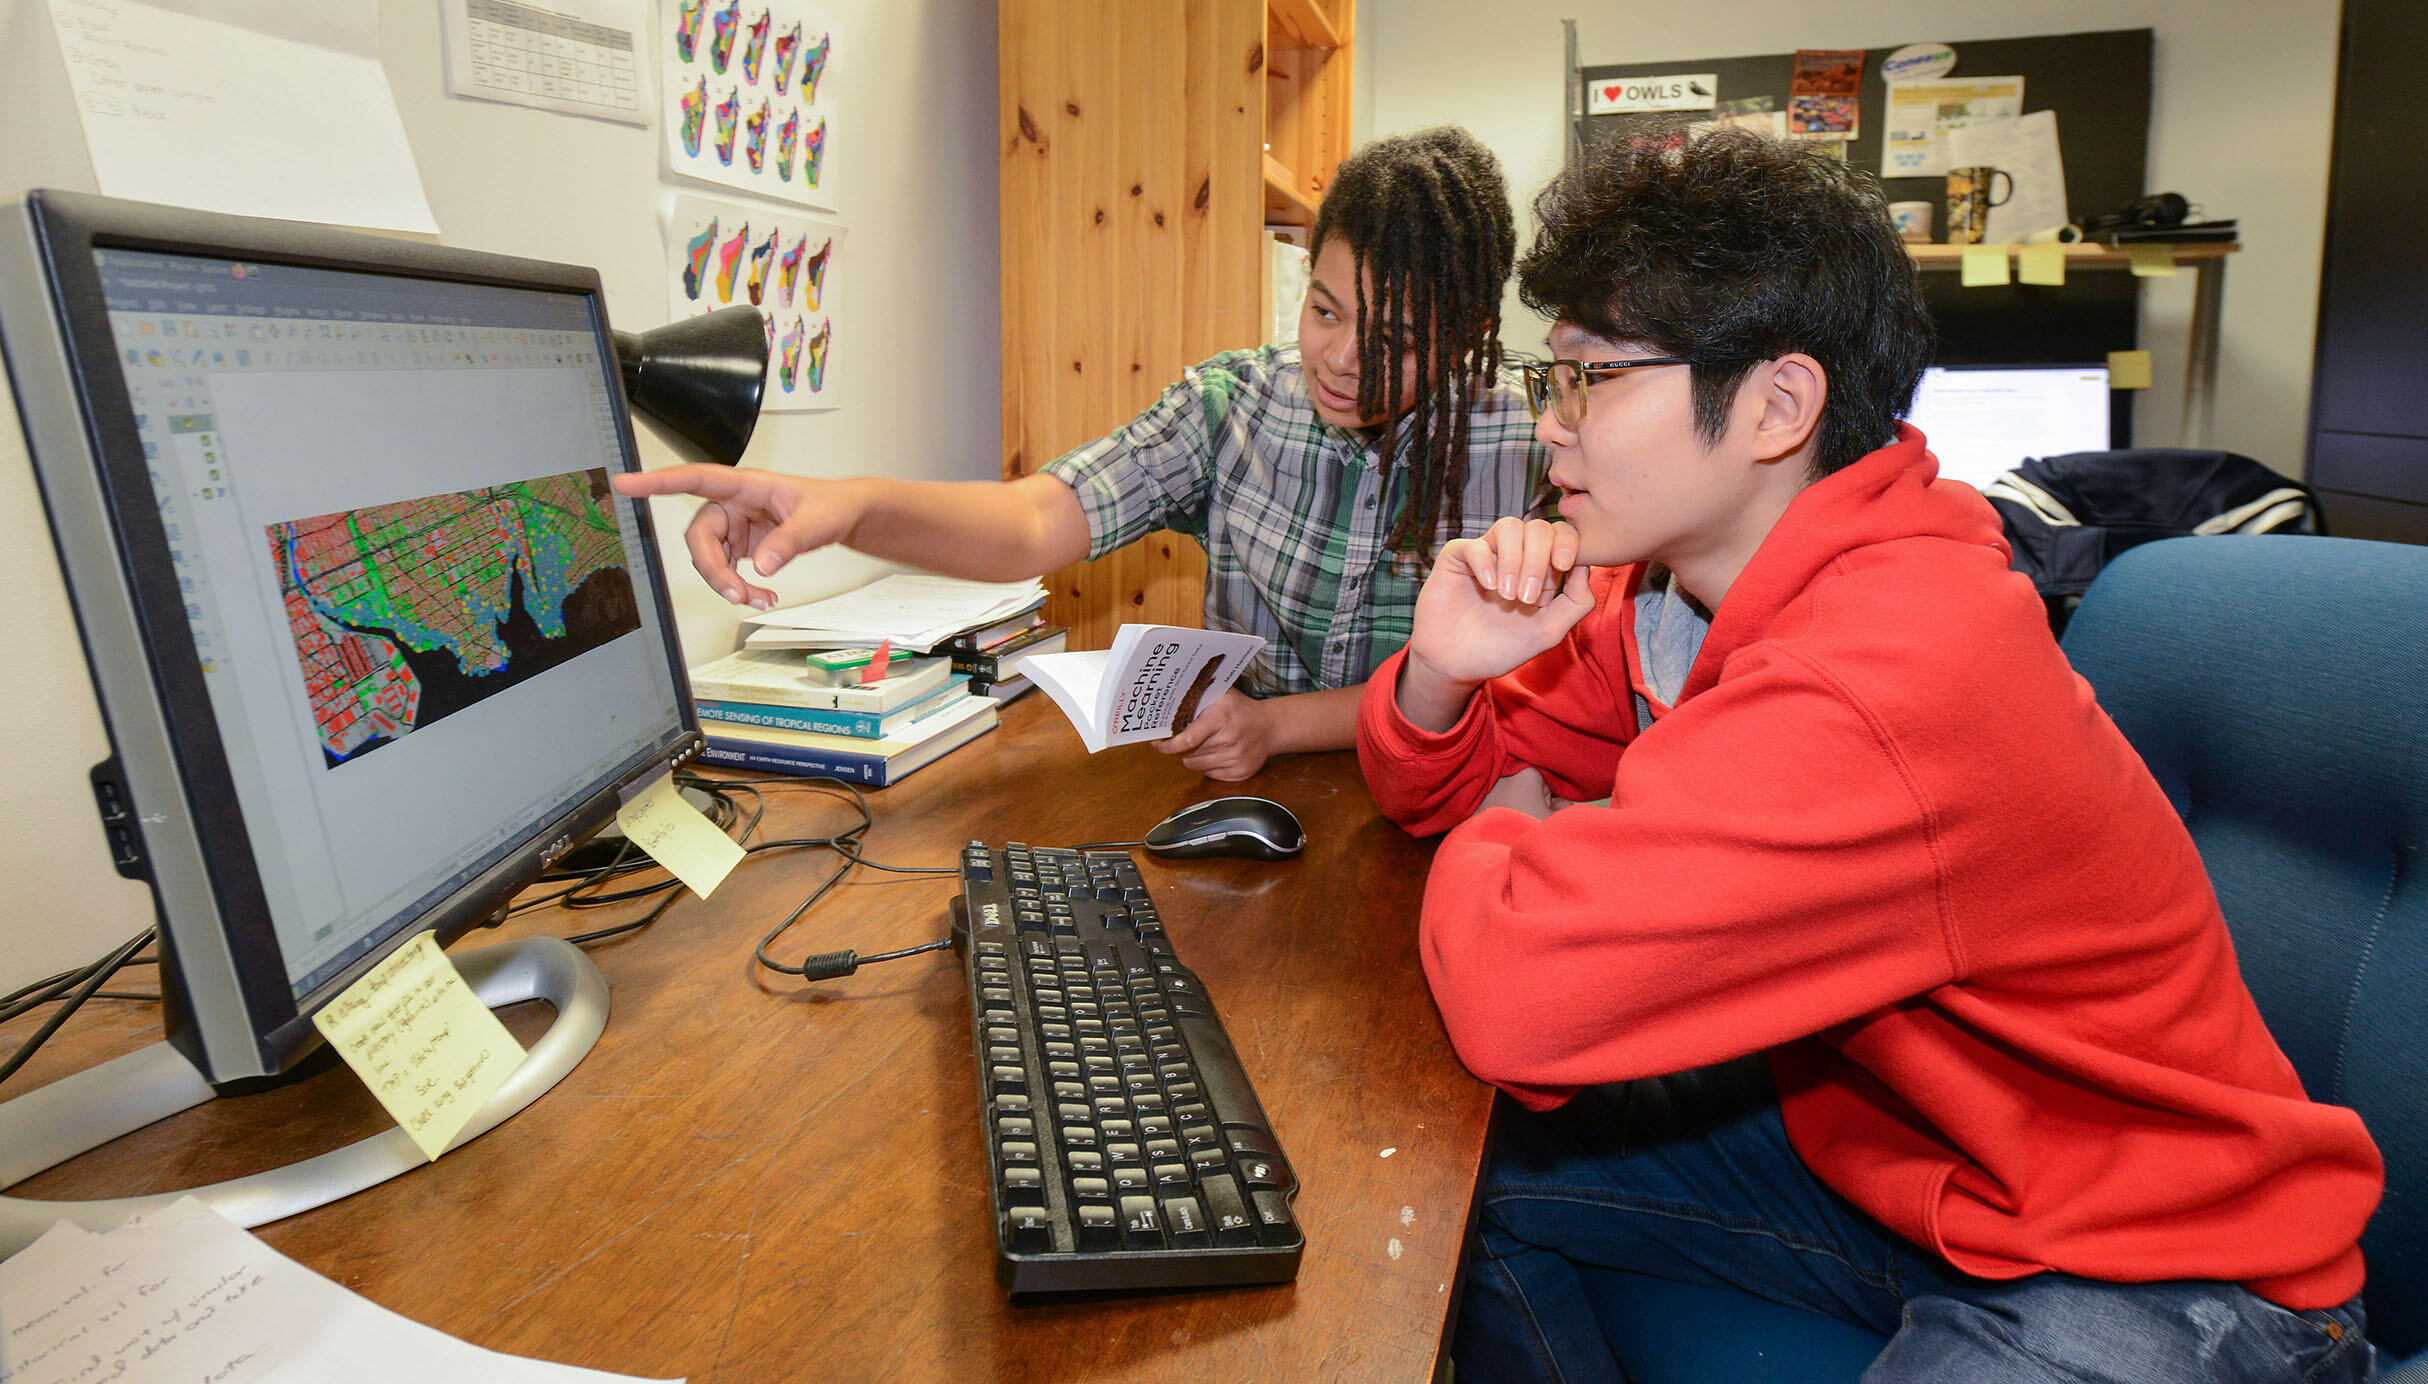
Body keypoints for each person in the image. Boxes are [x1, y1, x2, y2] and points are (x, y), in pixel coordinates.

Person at [1355, 124, 2384, 1383]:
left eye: (1592, 376)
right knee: (1464, 1179)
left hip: (2170, 1268)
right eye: (1549, 377)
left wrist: (1516, 823)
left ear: (1780, 406)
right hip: (1924, 1182)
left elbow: (1520, 990)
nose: (1551, 430)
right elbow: (1444, 791)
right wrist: (1446, 679)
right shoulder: (1669, 599)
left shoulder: (1888, 668)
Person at [615, 126, 1542, 781]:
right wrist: (849, 506)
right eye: (1326, 310)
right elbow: (1030, 521)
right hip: (1241, 800)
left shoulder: (1532, 451)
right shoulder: (1233, 406)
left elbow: (1510, 689)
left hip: (1445, 812)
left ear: (1463, 336)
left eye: (1397, 342)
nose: (1342, 360)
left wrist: (1277, 726)